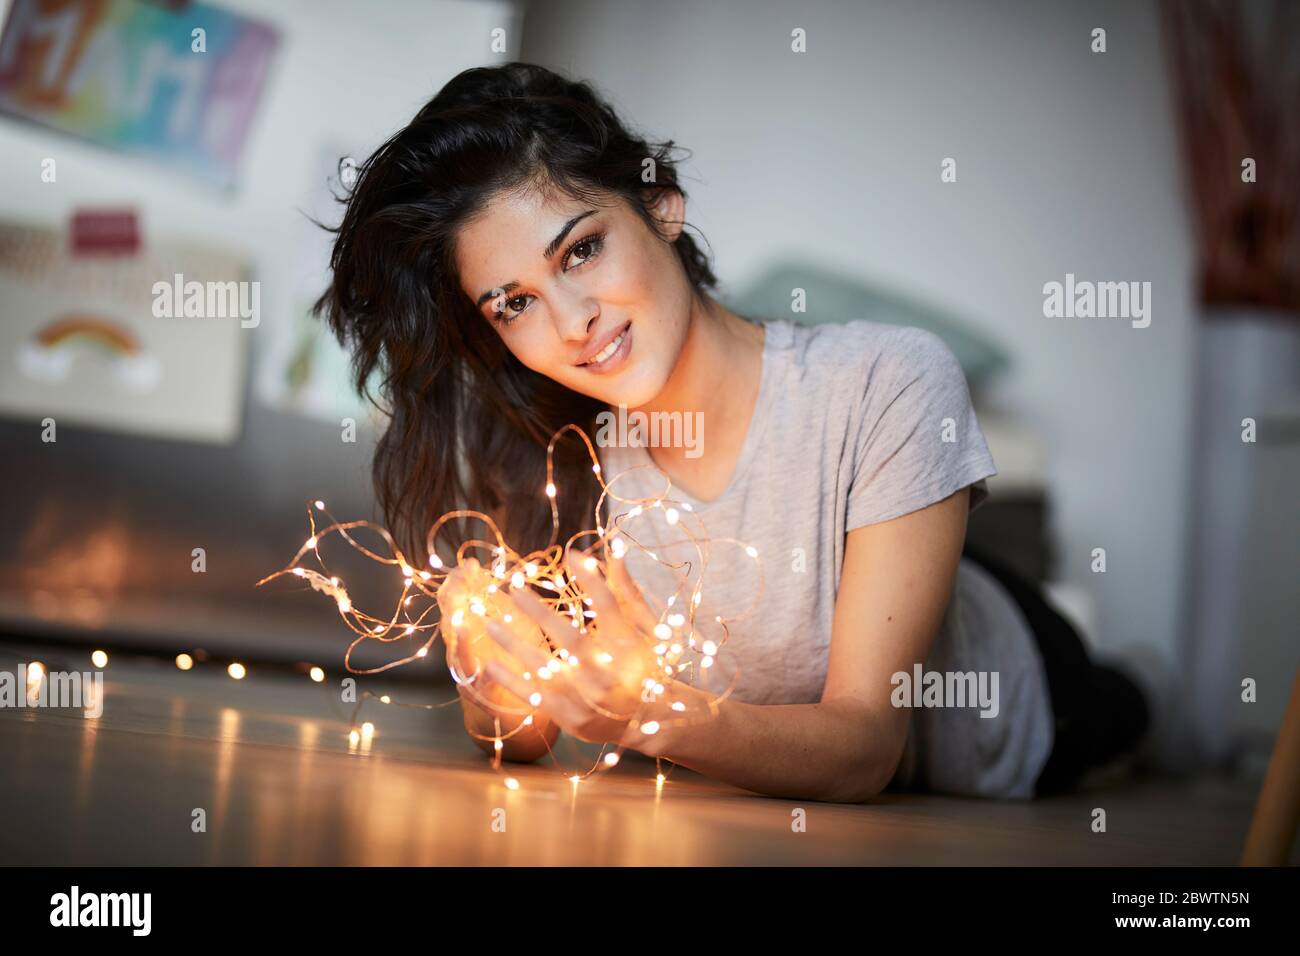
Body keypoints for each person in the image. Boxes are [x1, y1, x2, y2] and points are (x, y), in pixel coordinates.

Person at [314, 61, 1148, 802]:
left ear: (662, 210)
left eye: (582, 251)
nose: (571, 322)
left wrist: (651, 715)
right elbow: (523, 739)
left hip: (1027, 693)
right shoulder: (554, 452)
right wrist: (481, 661)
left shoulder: (891, 380)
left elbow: (866, 750)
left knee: (1142, 715)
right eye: (515, 303)